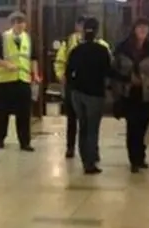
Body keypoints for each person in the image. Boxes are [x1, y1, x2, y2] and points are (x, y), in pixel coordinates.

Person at [112, 18, 149, 173]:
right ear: (134, 29)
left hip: (148, 93)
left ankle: (141, 156)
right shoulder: (123, 48)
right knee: (132, 127)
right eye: (140, 28)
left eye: (145, 28)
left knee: (143, 127)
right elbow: (115, 71)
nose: (143, 31)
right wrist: (117, 91)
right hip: (129, 94)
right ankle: (133, 159)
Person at [55, 16, 110, 158]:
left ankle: (92, 151)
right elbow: (60, 61)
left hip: (92, 87)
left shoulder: (102, 45)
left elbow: (108, 65)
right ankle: (71, 147)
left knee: (90, 125)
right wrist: (61, 76)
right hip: (73, 86)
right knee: (73, 120)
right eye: (79, 25)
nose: (81, 28)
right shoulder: (68, 43)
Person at [0, 11, 41, 152]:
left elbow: (33, 58)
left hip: (23, 80)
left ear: (25, 24)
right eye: (16, 22)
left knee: (24, 113)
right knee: (3, 112)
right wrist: (6, 65)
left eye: (22, 22)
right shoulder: (2, 38)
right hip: (4, 81)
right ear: (12, 24)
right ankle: (0, 138)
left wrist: (35, 74)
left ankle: (25, 142)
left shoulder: (29, 39)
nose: (19, 25)